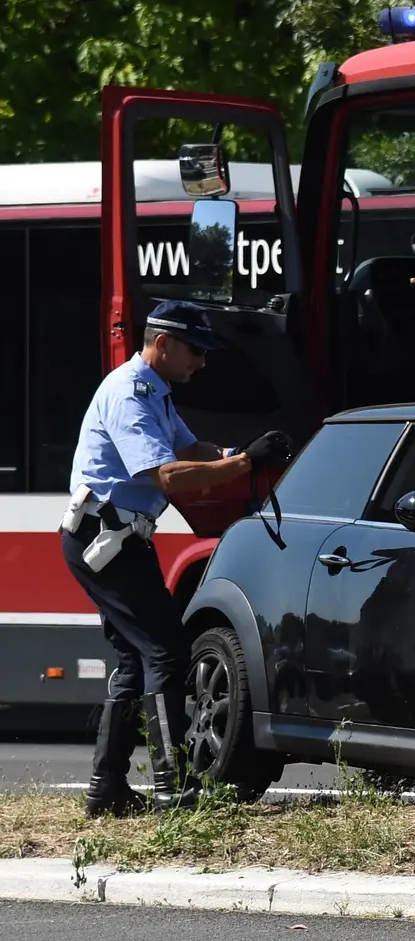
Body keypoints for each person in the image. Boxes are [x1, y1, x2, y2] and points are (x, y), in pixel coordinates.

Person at [62, 301, 293, 817]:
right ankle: (172, 784)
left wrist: (241, 450)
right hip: (104, 539)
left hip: (117, 539)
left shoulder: (156, 392)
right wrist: (241, 466)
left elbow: (192, 451)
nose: (202, 362)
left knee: (136, 657)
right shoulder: (131, 393)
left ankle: (107, 789)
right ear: (162, 344)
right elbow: (167, 477)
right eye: (196, 350)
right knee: (166, 651)